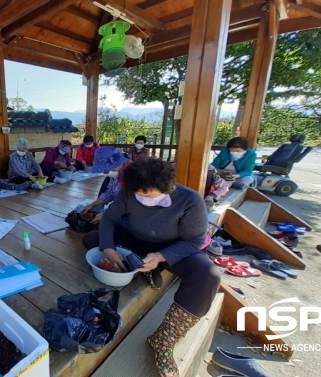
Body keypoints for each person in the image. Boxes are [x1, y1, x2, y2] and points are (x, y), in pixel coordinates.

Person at [82, 159, 220, 377]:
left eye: (149, 194)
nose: (143, 199)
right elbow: (109, 218)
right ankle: (144, 264)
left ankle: (164, 339)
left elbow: (194, 241)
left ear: (168, 187)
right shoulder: (129, 193)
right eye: (139, 194)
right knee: (92, 239)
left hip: (171, 246)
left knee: (208, 274)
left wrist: (162, 255)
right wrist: (108, 248)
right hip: (135, 239)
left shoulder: (190, 200)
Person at [80, 147, 129, 225]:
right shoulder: (116, 174)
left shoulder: (132, 175)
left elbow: (130, 204)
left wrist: (106, 215)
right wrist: (92, 205)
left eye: (106, 169)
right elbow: (110, 193)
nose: (105, 172)